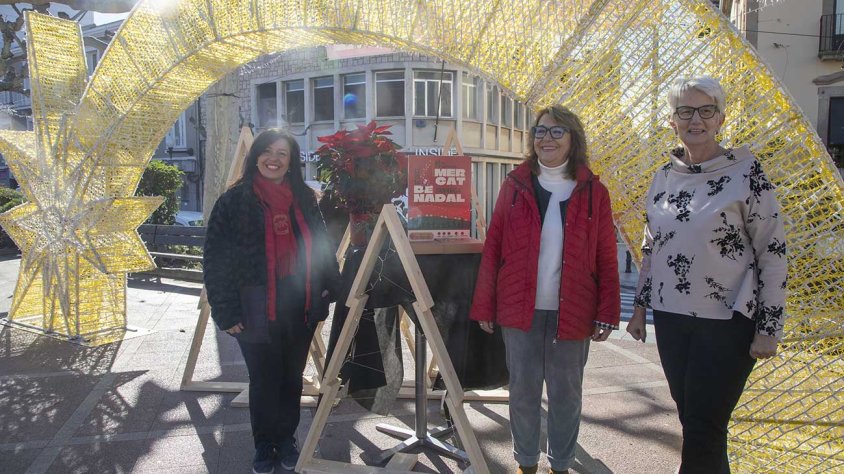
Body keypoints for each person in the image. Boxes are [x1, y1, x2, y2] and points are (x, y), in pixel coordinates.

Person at [626, 76, 787, 473]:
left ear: (720, 118)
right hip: (672, 317)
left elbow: (773, 250)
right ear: (672, 121)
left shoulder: (746, 172)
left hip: (728, 319)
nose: (695, 119)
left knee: (703, 426)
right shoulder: (663, 176)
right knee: (698, 425)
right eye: (685, 111)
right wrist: (639, 309)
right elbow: (651, 246)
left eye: (705, 110)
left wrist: (769, 328)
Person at [470, 104, 620, 474]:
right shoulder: (515, 185)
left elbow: (606, 254)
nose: (546, 138)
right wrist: (484, 305)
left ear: (573, 139)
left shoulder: (593, 191)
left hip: (574, 310)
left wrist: (608, 311)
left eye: (557, 131)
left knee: (566, 394)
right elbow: (494, 247)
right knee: (522, 391)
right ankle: (526, 463)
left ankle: (561, 464)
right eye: (540, 131)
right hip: (519, 308)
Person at [204, 129, 340, 474]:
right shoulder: (233, 201)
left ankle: (287, 439)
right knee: (264, 379)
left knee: (292, 378)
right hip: (254, 308)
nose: (274, 159)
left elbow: (322, 245)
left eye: (282, 153)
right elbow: (215, 259)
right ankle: (265, 445)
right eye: (268, 151)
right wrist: (224, 311)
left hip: (300, 304)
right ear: (256, 157)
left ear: (291, 161)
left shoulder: (306, 198)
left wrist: (328, 288)